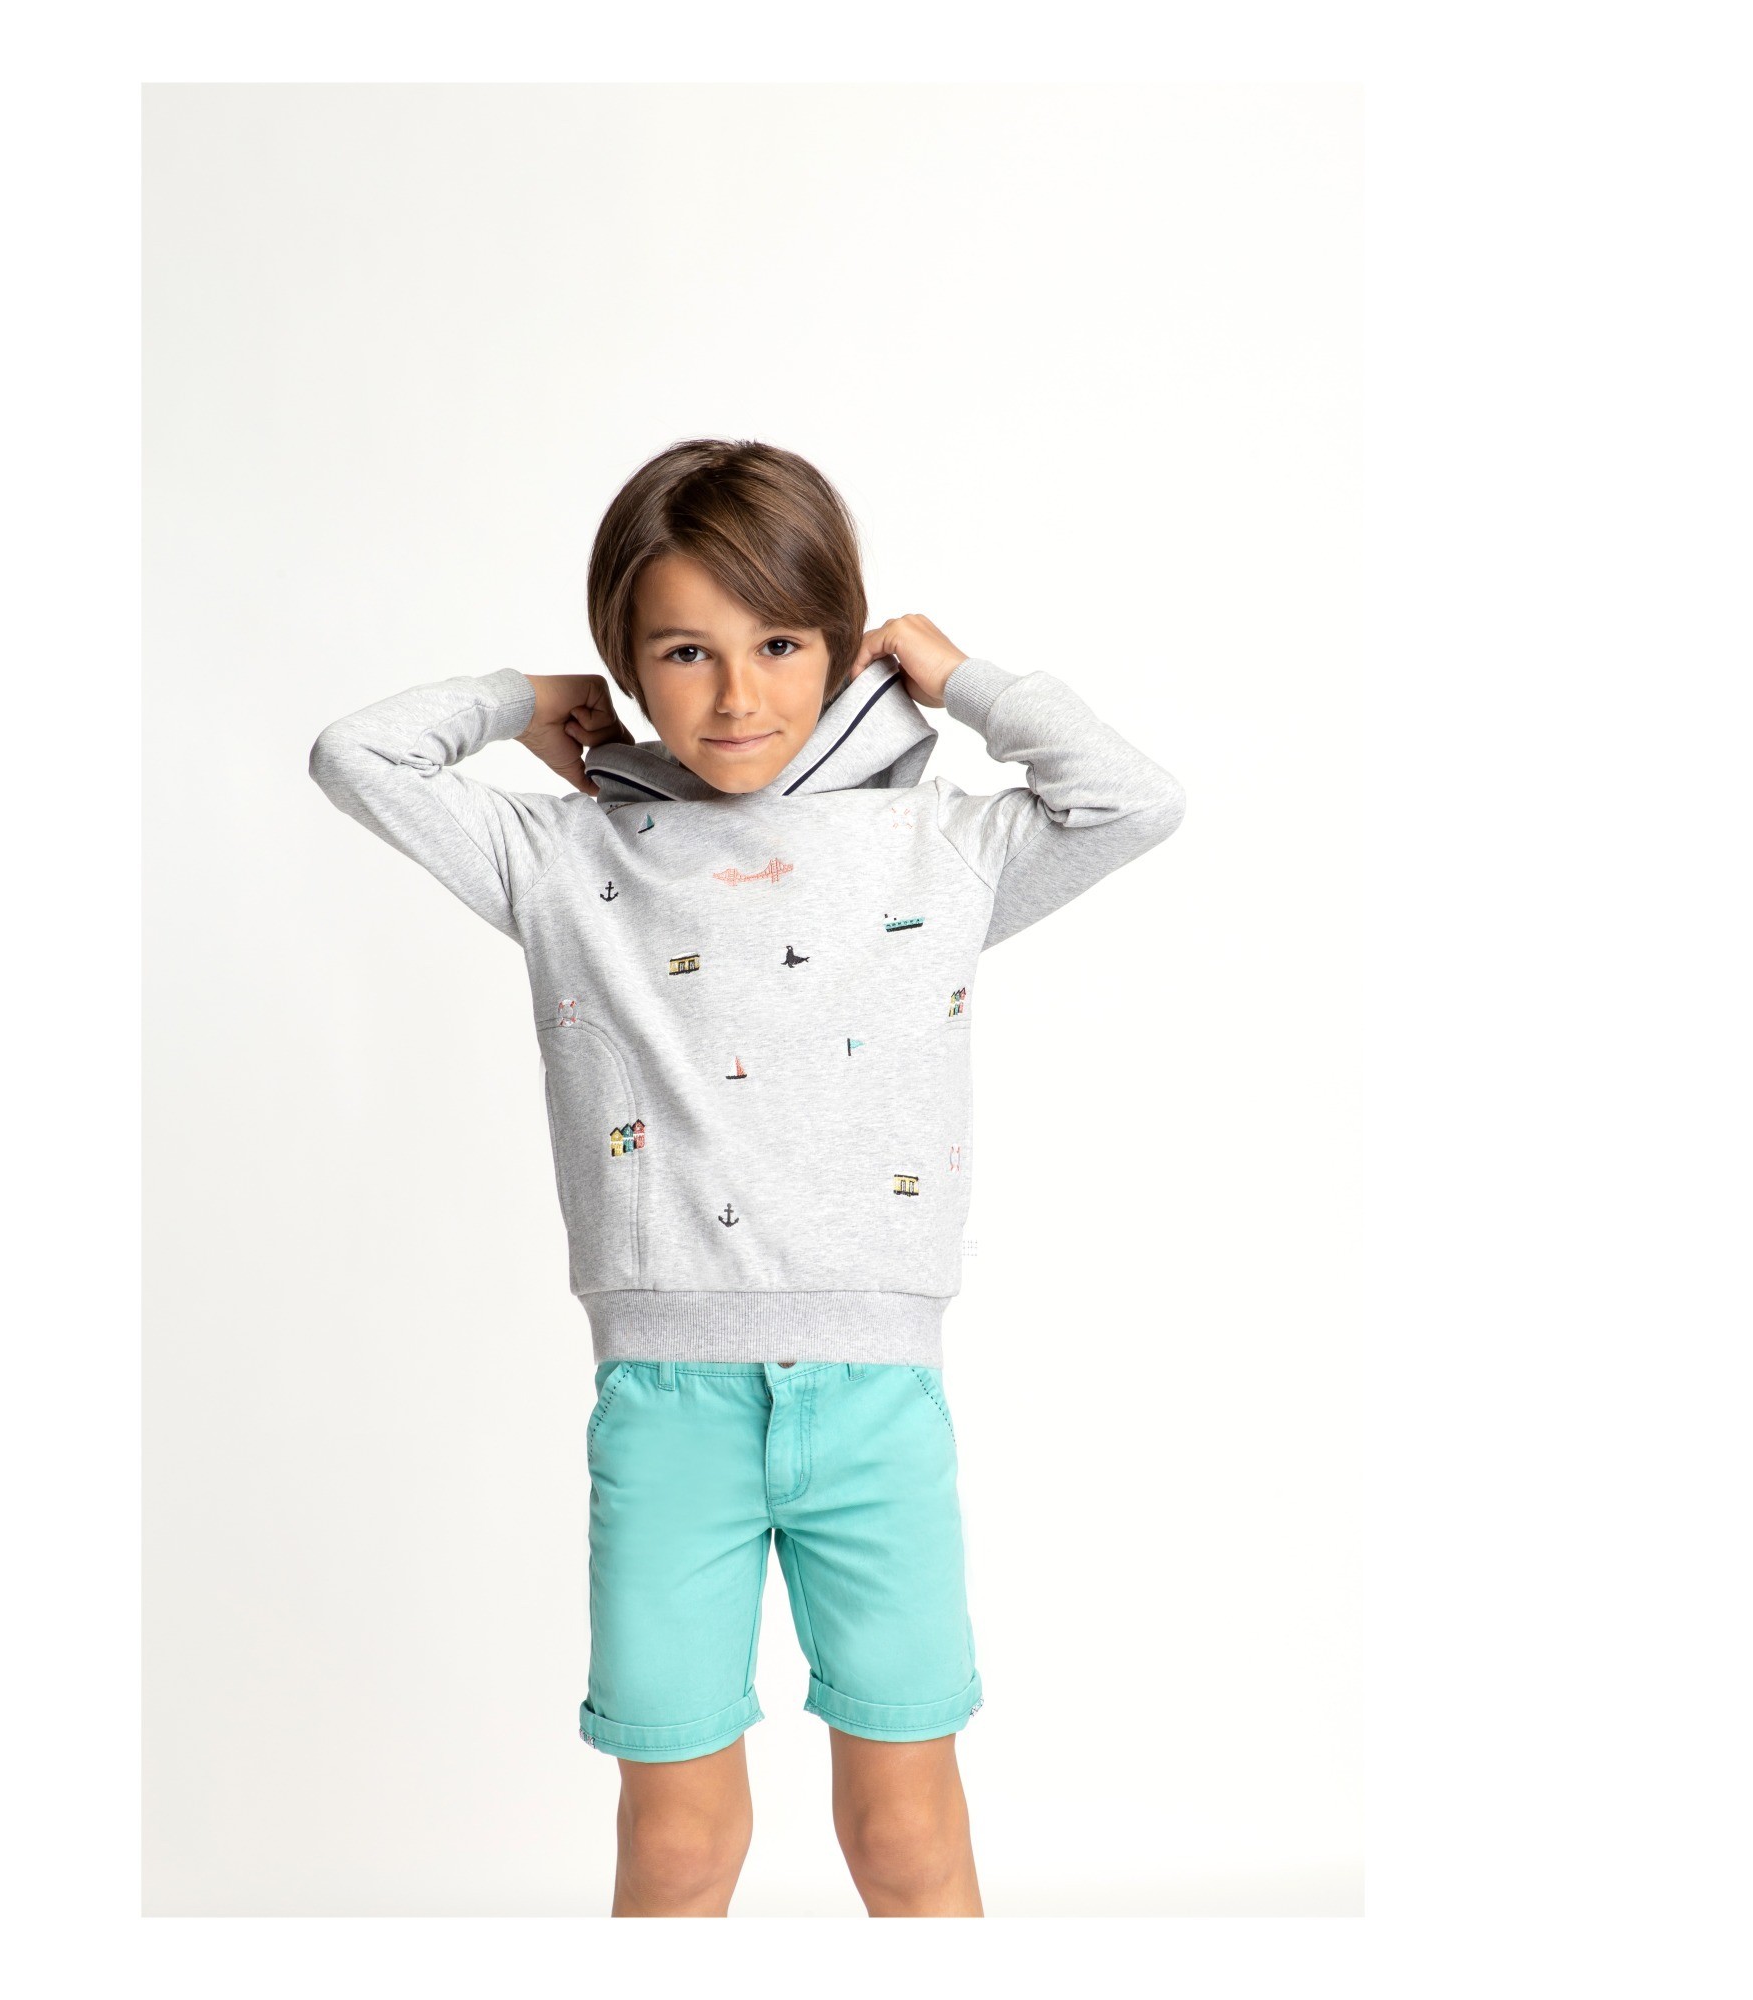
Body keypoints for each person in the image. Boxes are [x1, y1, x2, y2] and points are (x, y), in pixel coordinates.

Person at [308, 438, 1186, 1917]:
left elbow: (1134, 800)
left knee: (906, 1836)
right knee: (675, 1842)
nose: (736, 695)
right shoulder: (565, 854)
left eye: (780, 645)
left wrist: (966, 680)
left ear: (841, 645)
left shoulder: (939, 846)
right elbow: (357, 757)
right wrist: (523, 698)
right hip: (666, 1411)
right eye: (685, 652)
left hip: (879, 1405)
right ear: (628, 665)